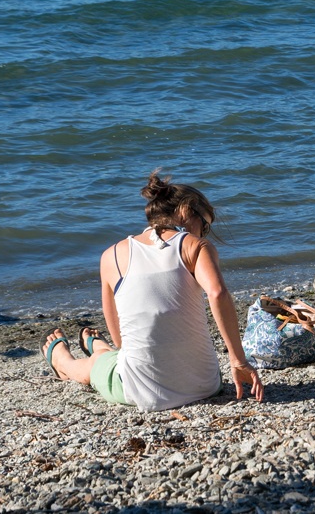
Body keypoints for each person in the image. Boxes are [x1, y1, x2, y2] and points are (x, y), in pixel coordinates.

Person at [39, 171, 264, 411]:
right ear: (187, 211)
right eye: (205, 225)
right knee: (113, 356)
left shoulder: (111, 255)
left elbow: (122, 342)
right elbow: (217, 294)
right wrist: (238, 360)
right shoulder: (196, 246)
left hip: (139, 390)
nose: (203, 232)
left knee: (98, 364)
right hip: (205, 384)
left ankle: (64, 360)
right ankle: (93, 348)